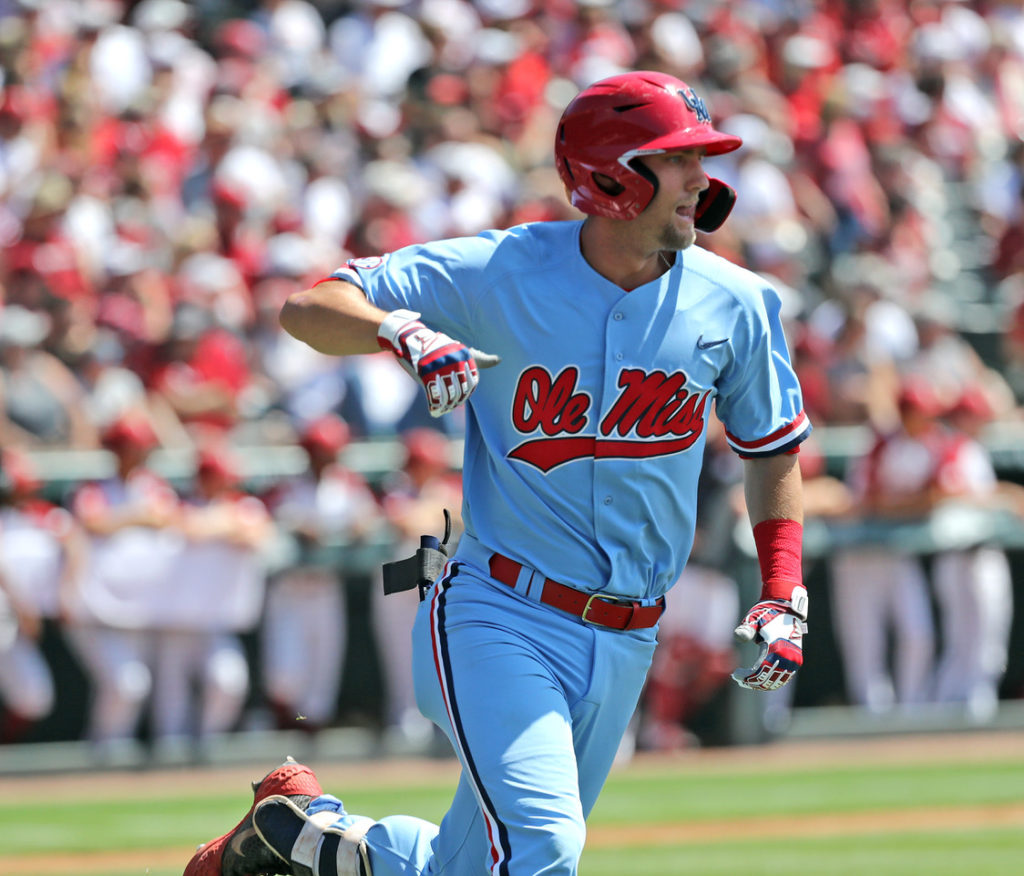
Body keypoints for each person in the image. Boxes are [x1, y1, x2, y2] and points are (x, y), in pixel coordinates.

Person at [185, 71, 810, 876]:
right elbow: (308, 309)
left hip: (630, 633)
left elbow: (772, 452)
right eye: (679, 158)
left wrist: (782, 591)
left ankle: (300, 834)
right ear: (612, 174)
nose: (704, 179)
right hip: (502, 612)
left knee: (470, 863)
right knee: (544, 849)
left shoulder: (738, 302)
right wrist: (398, 331)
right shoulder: (501, 270)